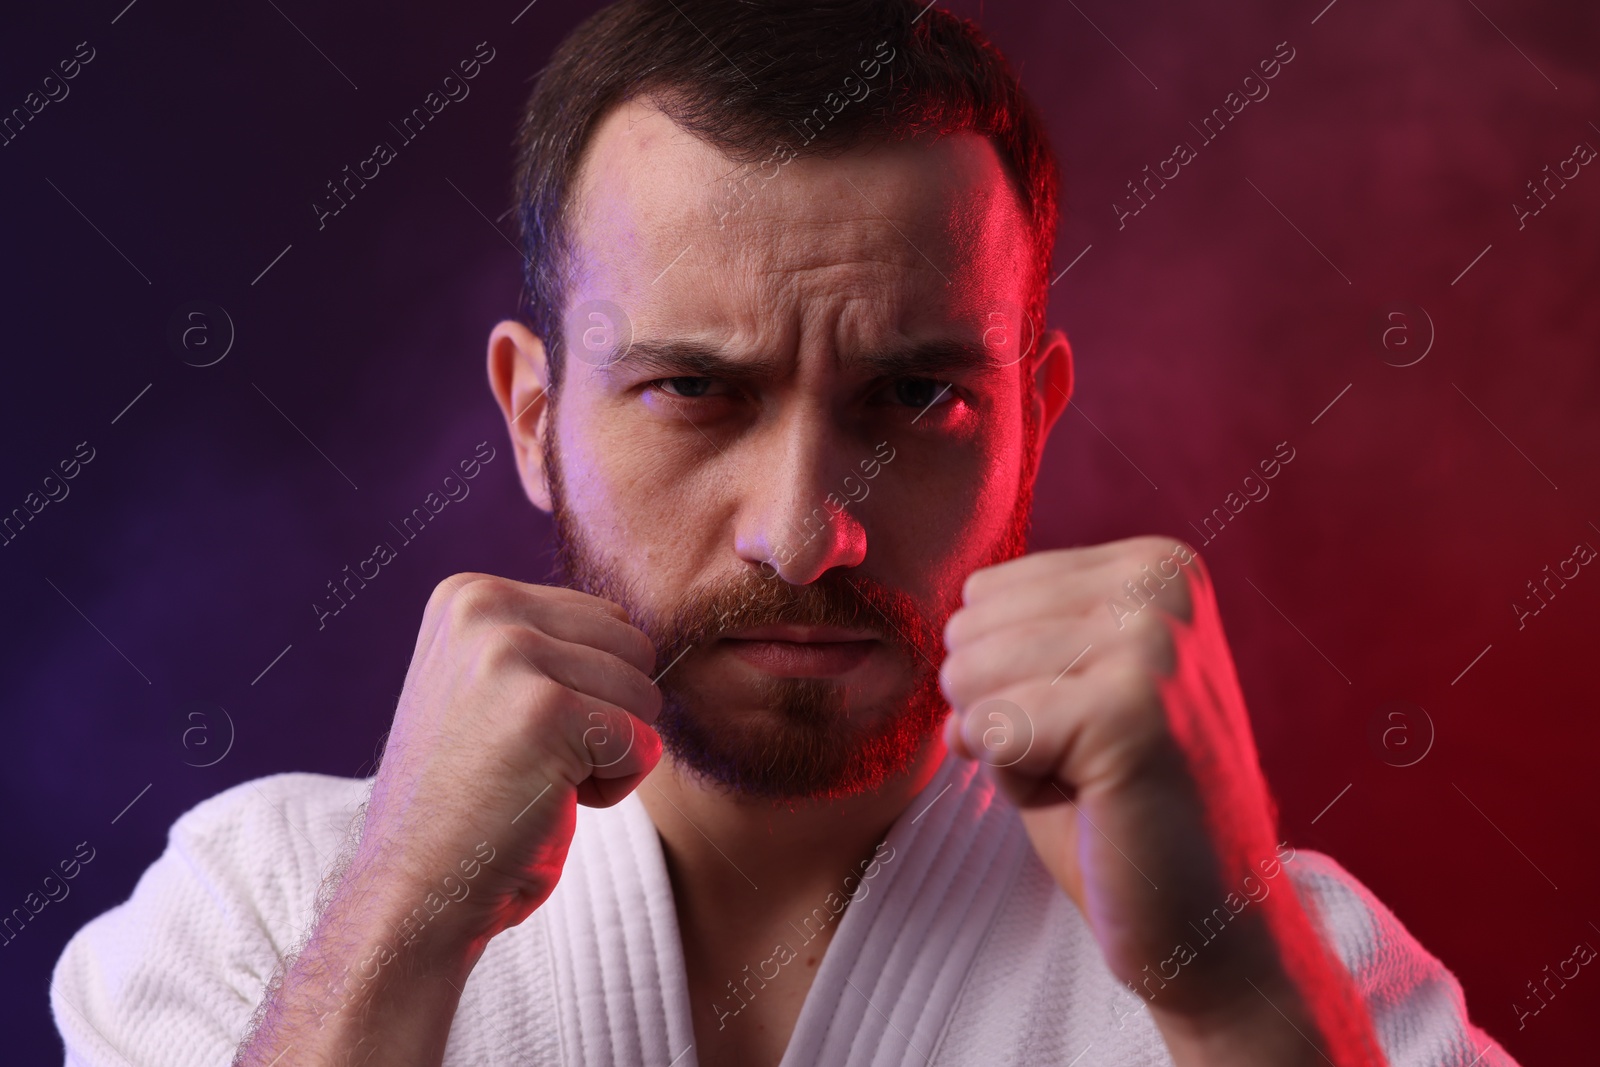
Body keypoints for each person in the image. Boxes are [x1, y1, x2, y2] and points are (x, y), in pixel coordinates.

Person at [52, 1, 1519, 1064]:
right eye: (694, 389)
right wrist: (392, 935)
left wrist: (1233, 997)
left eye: (916, 396)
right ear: (532, 416)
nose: (807, 533)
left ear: (1035, 416)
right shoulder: (263, 917)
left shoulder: (1300, 971)